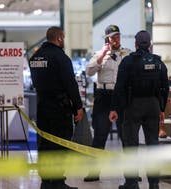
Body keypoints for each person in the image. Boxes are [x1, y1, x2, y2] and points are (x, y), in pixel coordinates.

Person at [109, 30, 169, 189]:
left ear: (135, 44)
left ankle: (131, 183)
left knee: (130, 144)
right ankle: (154, 184)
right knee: (153, 145)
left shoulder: (128, 61)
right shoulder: (158, 62)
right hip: (153, 106)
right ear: (150, 44)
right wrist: (161, 108)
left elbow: (119, 87)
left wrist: (116, 108)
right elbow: (165, 87)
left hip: (133, 105)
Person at [28, 26, 83, 189]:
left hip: (42, 107)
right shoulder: (61, 58)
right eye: (63, 37)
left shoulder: (35, 57)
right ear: (59, 38)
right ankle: (58, 182)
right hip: (60, 108)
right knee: (60, 144)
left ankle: (45, 182)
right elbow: (70, 85)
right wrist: (77, 107)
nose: (64, 40)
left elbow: (35, 82)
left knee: (44, 145)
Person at [83, 25, 132, 182]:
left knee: (127, 136)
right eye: (112, 37)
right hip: (104, 96)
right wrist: (103, 54)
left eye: (117, 36)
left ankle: (131, 175)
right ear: (107, 38)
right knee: (100, 135)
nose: (115, 39)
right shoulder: (99, 54)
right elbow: (89, 71)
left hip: (122, 96)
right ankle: (94, 172)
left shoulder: (128, 53)